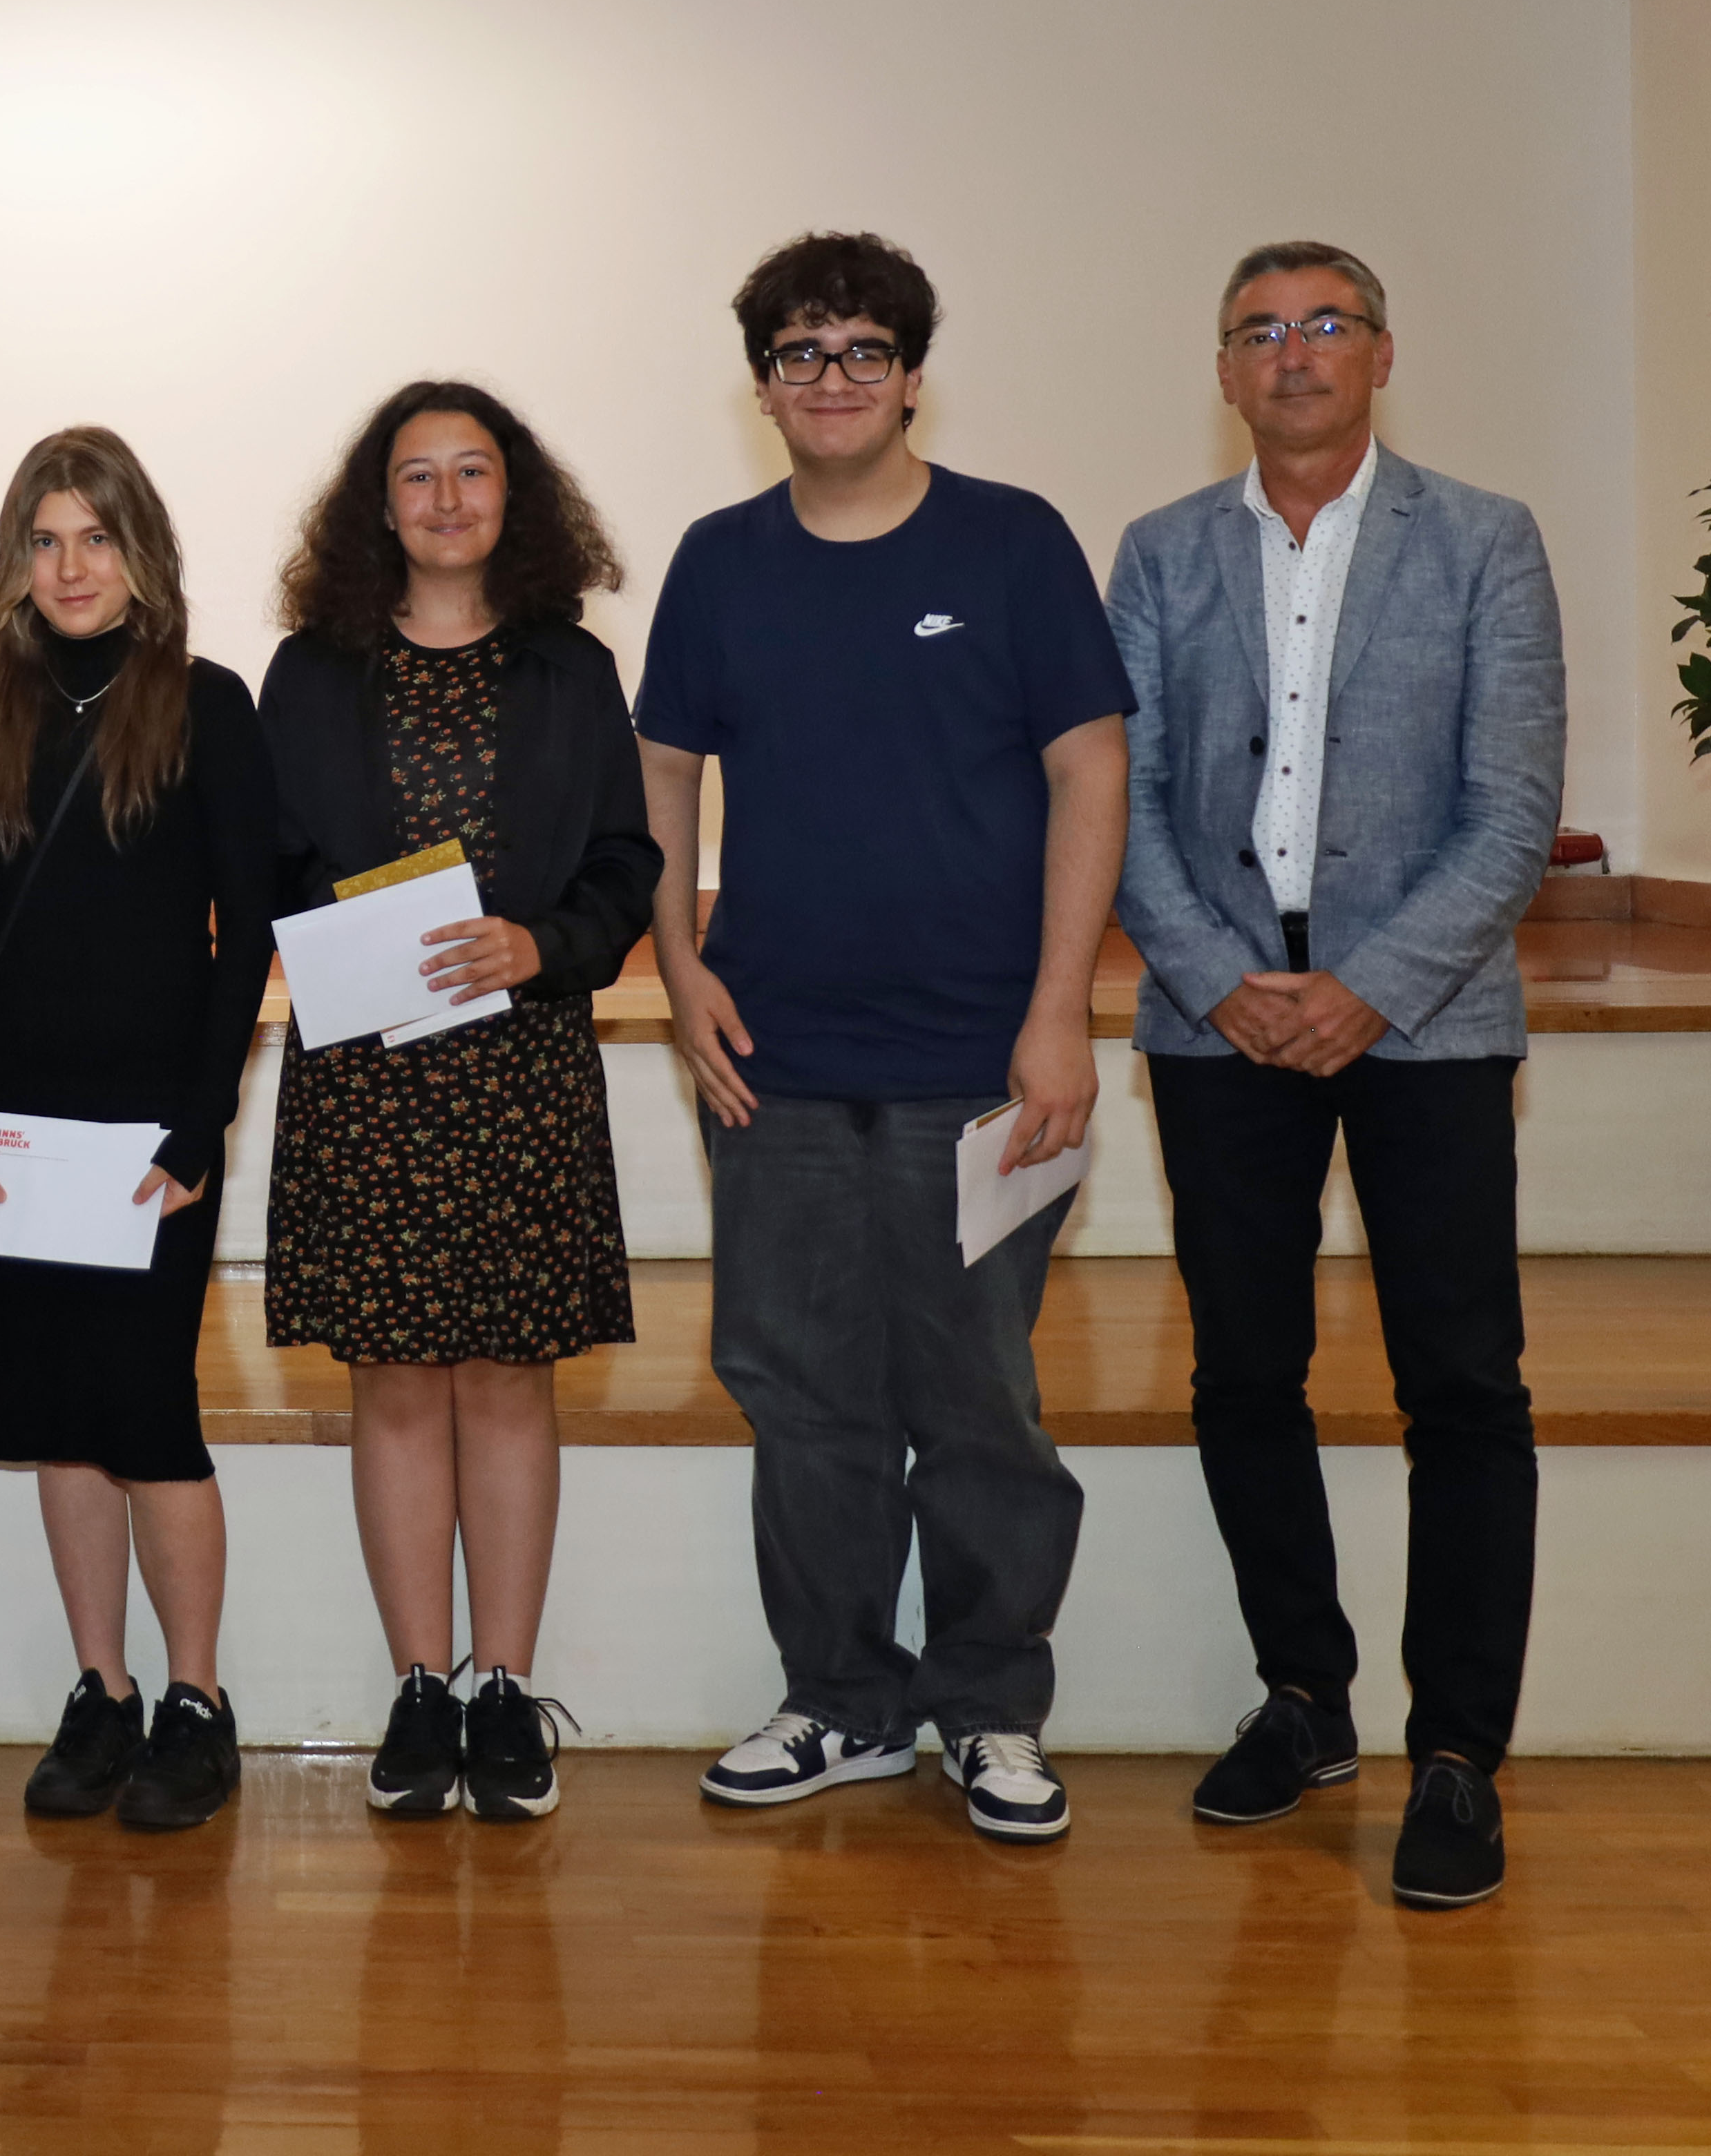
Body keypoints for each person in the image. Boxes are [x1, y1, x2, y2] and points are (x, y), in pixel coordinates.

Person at [638, 231, 1132, 1845]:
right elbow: (661, 777)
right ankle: (841, 1701)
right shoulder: (718, 562)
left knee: (978, 1404)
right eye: (800, 353)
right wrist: (675, 963)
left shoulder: (1010, 544)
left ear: (911, 376)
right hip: (771, 1067)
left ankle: (989, 1708)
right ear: (762, 386)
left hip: (981, 1069)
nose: (831, 377)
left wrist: (1058, 1010)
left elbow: (1088, 769)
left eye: (862, 349)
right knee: (801, 1399)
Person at [1107, 241, 1562, 1909]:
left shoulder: (1484, 540)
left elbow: (1512, 809)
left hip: (1424, 1020)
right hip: (1216, 1018)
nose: (1290, 353)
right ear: (1222, 370)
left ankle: (1458, 1753)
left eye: (1323, 325)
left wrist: (1369, 988)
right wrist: (1216, 977)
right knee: (1244, 1370)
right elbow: (1118, 796)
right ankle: (1302, 1696)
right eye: (1257, 331)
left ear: (1380, 352)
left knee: (1462, 1386)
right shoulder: (1158, 553)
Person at [260, 380, 660, 1825]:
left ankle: (504, 1687)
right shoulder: (310, 672)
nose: (444, 498)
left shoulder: (571, 668)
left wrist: (539, 945)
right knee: (390, 1383)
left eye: (471, 470)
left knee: (505, 1379)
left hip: (517, 1067)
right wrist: (347, 935)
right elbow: (270, 857)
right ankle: (420, 1687)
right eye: (416, 474)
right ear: (379, 504)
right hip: (368, 1074)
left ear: (513, 493)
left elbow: (624, 863)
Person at [0, 427, 280, 1831]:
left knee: (149, 1418)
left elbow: (244, 934)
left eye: (96, 536)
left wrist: (197, 1130)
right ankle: (103, 1690)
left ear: (142, 552)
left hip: (150, 1146)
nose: (71, 566)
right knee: (57, 1419)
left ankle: (196, 1702)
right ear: (17, 560)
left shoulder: (208, 705)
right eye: (45, 539)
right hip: (20, 1143)